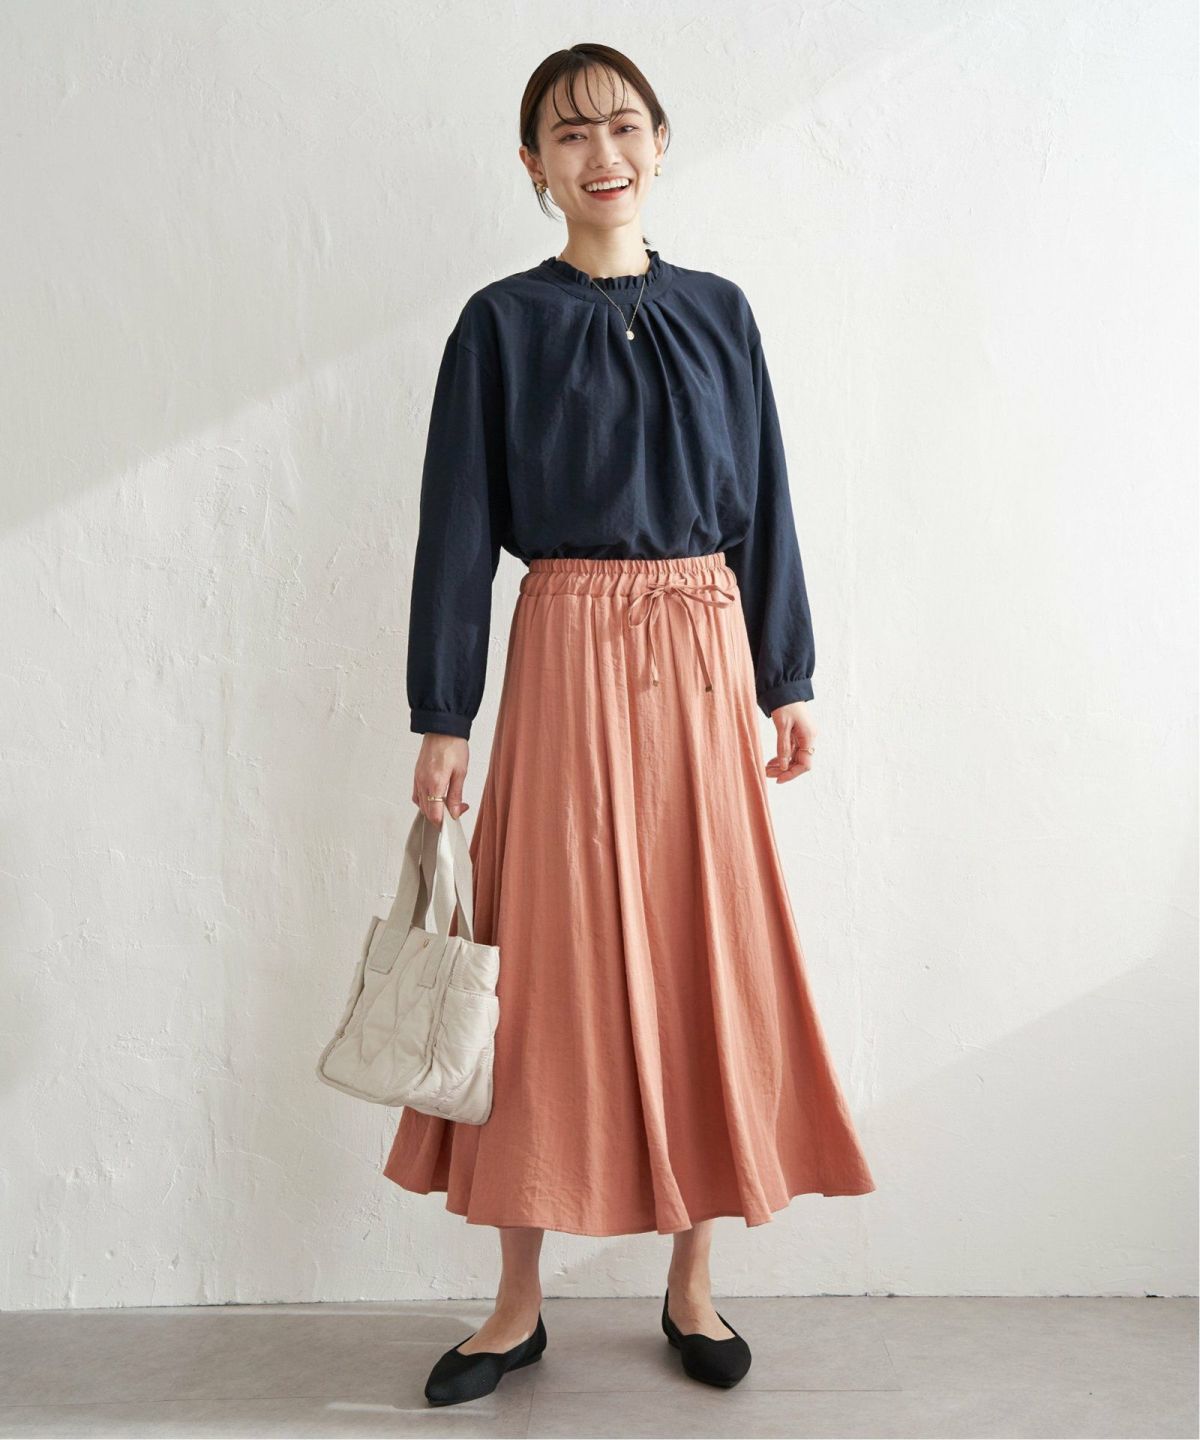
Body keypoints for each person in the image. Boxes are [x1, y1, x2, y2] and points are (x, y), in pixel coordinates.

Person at [385, 44, 877, 1407]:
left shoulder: (722, 312)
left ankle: (692, 1284)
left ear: (660, 142)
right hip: (562, 647)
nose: (599, 151)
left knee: (704, 953)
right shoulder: (500, 323)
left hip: (705, 648)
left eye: (620, 124)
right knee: (538, 966)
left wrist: (787, 675)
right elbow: (456, 525)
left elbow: (767, 495)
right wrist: (443, 713)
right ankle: (516, 1305)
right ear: (533, 167)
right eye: (567, 133)